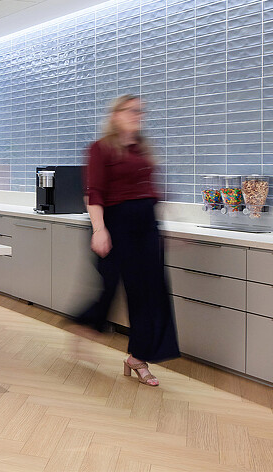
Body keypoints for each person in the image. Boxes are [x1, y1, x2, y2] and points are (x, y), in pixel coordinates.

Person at [77, 94, 179, 386]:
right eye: (132, 110)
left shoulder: (142, 150)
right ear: (116, 114)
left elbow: (153, 191)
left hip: (146, 226)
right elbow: (94, 193)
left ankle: (137, 358)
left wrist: (168, 228)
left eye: (141, 111)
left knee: (149, 295)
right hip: (116, 224)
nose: (138, 115)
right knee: (108, 288)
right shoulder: (100, 148)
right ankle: (84, 328)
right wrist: (99, 230)